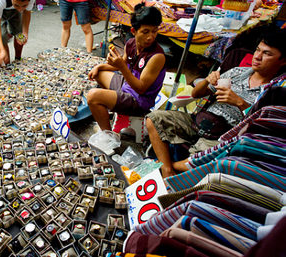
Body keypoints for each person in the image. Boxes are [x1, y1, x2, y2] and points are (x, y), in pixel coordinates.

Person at [146, 30, 286, 178]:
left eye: (267, 54)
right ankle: (167, 171)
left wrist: (240, 103)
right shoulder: (237, 72)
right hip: (200, 121)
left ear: (283, 61)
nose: (257, 56)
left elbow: (262, 130)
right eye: (257, 50)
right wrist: (207, 79)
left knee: (201, 161)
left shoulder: (276, 91)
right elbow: (196, 94)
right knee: (154, 118)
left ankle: (168, 167)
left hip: (224, 137)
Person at [87, 3, 166, 131]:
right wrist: (100, 66)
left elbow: (141, 88)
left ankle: (107, 134)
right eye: (145, 32)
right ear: (134, 31)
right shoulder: (130, 43)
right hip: (127, 86)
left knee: (93, 96)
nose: (151, 37)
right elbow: (121, 65)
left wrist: (122, 67)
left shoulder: (157, 56)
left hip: (139, 101)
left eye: (154, 31)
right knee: (99, 73)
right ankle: (112, 106)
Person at [0, 0, 35, 65]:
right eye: (16, 5)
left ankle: (18, 59)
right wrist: (1, 49)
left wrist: (25, 32)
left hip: (12, 8)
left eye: (24, 5)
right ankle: (7, 64)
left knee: (20, 34)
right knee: (2, 36)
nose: (20, 10)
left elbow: (26, 13)